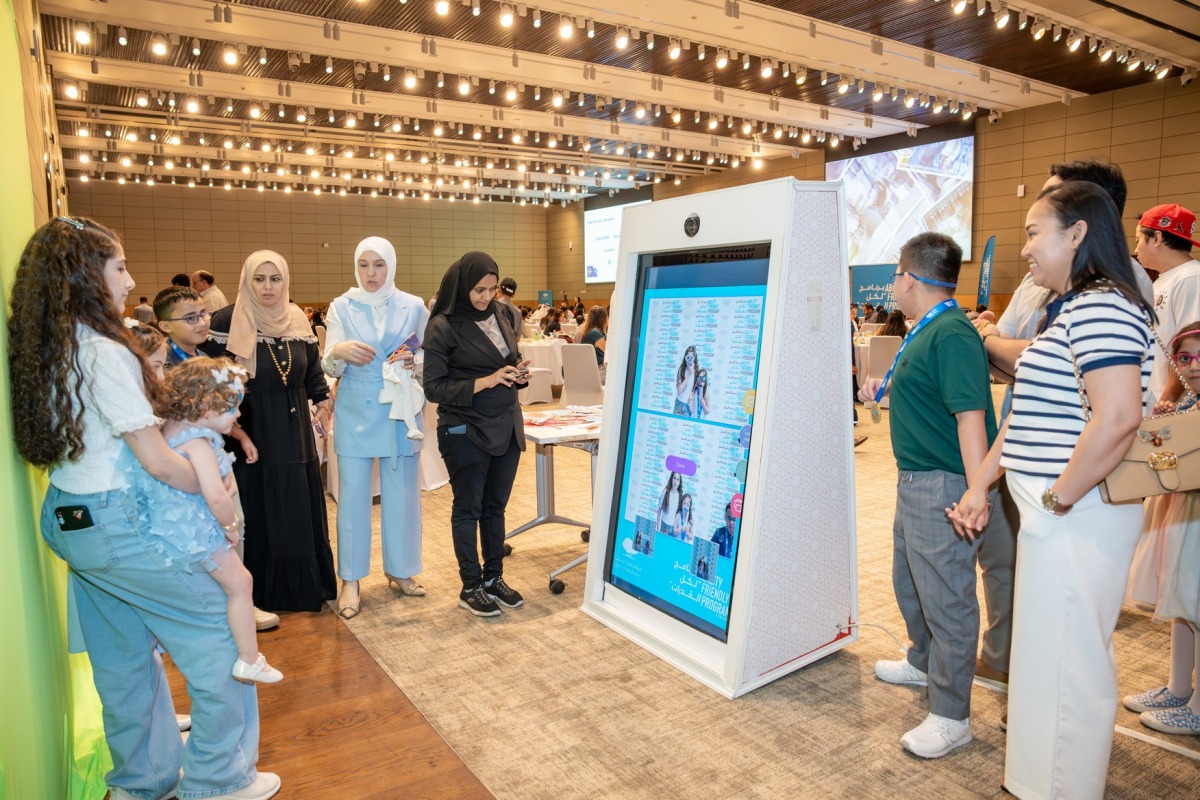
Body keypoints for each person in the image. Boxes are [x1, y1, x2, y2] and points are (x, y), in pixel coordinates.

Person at [8, 216, 277, 800]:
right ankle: (219, 779)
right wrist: (215, 494)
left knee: (123, 661)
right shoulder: (105, 351)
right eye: (120, 267)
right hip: (120, 520)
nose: (130, 282)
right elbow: (157, 462)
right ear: (86, 275)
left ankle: (142, 781)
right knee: (220, 641)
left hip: (70, 517)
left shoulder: (49, 344)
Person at [949, 180, 1154, 798]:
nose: (1027, 248)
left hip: (1077, 511)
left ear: (1079, 233)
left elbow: (1118, 416)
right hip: (1055, 511)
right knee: (1045, 656)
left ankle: (1064, 786)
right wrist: (983, 485)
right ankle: (1038, 781)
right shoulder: (1071, 308)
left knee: (1071, 661)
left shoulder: (1102, 307)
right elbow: (1027, 416)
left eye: (1036, 232)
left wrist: (1059, 498)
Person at [858, 231, 1005, 759]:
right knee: (911, 581)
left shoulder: (953, 334)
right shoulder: (929, 328)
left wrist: (976, 492)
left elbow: (971, 419)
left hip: (944, 482)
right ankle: (923, 661)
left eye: (896, 273)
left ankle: (951, 714)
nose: (893, 282)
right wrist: (885, 387)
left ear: (910, 279)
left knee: (948, 599)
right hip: (916, 478)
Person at [203, 250, 336, 613]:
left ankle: (302, 589)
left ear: (285, 281)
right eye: (259, 279)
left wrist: (323, 404)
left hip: (295, 431)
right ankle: (259, 594)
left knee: (295, 505)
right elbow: (211, 377)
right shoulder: (228, 320)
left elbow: (312, 373)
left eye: (275, 279)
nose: (267, 287)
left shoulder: (296, 318)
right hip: (251, 429)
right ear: (247, 279)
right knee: (259, 507)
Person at [147, 357, 282, 685]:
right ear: (205, 404)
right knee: (241, 584)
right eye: (232, 407)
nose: (238, 415)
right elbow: (217, 496)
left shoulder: (168, 428)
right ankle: (250, 659)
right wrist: (230, 526)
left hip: (167, 530)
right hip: (199, 530)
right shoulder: (199, 442)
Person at [322, 236, 430, 619]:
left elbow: (426, 357)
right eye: (365, 264)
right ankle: (350, 579)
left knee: (402, 496)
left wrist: (413, 364)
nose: (371, 273)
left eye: (379, 265)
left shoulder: (414, 306)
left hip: (399, 413)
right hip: (356, 411)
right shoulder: (341, 306)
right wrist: (339, 352)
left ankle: (401, 569)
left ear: (391, 266)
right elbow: (327, 364)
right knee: (352, 499)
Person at [422, 251, 530, 617]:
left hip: (505, 424)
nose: (486, 297)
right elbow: (433, 388)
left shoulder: (501, 314)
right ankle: (470, 585)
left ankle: (492, 577)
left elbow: (505, 360)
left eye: (492, 289)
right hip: (464, 429)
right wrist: (485, 382)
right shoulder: (443, 326)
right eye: (479, 290)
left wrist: (517, 371)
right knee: (468, 508)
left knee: (495, 507)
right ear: (461, 286)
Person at [1123, 321, 1200, 735]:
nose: (1193, 366)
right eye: (1185, 358)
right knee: (1184, 605)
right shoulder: (1189, 403)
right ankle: (1179, 686)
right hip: (1183, 513)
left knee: (1198, 606)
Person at [1135, 203, 1200, 406]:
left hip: (1177, 406)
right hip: (1157, 401)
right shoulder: (1163, 281)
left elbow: (1191, 347)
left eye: (1138, 241)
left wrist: (1167, 400)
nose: (1136, 250)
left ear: (1157, 238)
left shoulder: (1191, 278)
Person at [154, 287, 212, 368]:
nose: (202, 323)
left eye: (203, 314)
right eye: (190, 318)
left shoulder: (204, 357)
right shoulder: (160, 364)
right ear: (166, 326)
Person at [675, 346, 699, 416]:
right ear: (685, 358)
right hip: (678, 404)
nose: (689, 360)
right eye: (688, 357)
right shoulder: (681, 370)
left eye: (691, 358)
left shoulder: (697, 372)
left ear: (694, 358)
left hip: (688, 406)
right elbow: (679, 391)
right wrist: (689, 374)